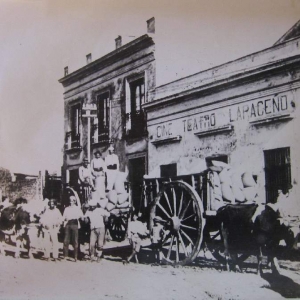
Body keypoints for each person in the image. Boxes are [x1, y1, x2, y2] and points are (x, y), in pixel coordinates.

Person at [62, 196, 84, 262]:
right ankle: (65, 256)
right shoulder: (66, 209)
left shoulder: (77, 209)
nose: (71, 202)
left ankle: (75, 256)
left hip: (75, 224)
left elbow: (82, 217)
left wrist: (81, 218)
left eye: (72, 200)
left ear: (75, 201)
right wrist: (63, 221)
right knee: (66, 240)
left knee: (75, 241)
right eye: (70, 200)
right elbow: (63, 217)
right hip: (68, 224)